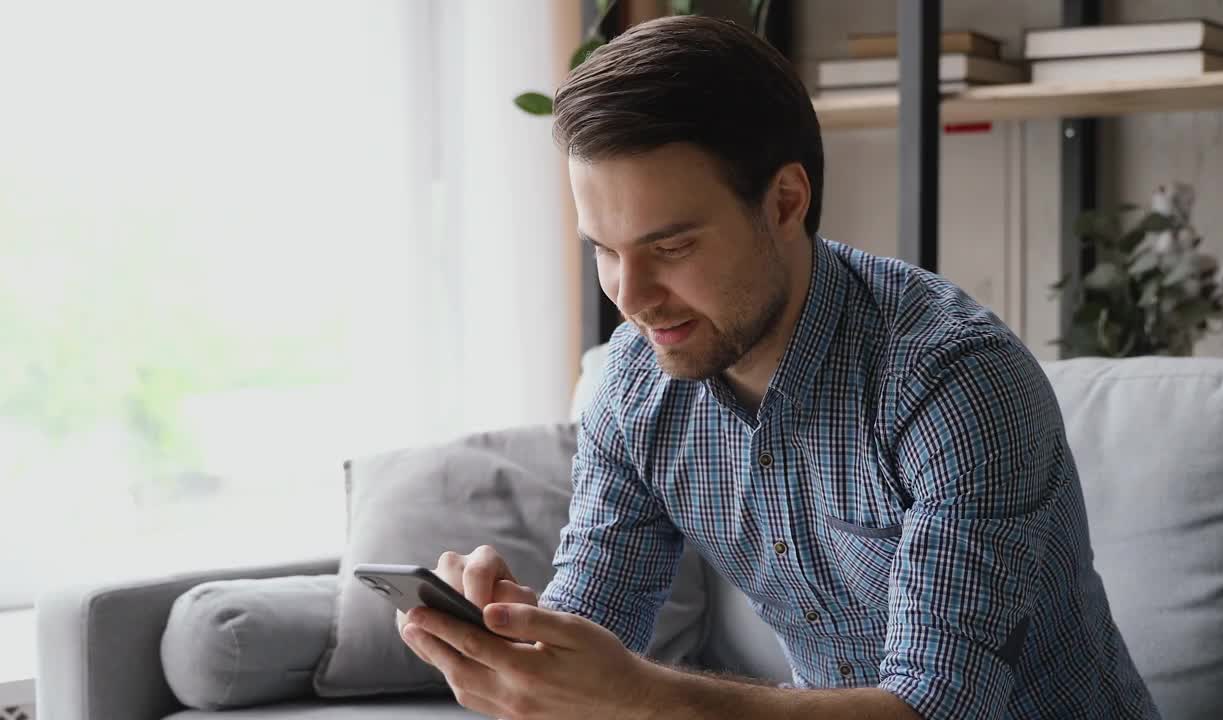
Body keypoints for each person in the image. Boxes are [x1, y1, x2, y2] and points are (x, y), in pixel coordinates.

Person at [396, 14, 1160, 720]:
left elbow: (938, 707)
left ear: (787, 201)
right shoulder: (634, 390)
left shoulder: (956, 382)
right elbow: (594, 624)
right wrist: (514, 645)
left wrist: (642, 694)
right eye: (603, 250)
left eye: (671, 247)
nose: (631, 298)